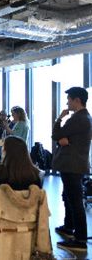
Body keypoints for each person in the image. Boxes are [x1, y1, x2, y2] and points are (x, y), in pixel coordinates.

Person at [52, 87, 92, 251]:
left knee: (75, 201)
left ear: (77, 100)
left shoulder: (79, 118)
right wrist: (63, 138)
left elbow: (56, 135)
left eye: (69, 99)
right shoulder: (83, 117)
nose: (67, 102)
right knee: (68, 196)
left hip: (72, 164)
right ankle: (69, 227)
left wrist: (59, 119)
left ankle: (80, 239)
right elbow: (61, 138)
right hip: (74, 163)